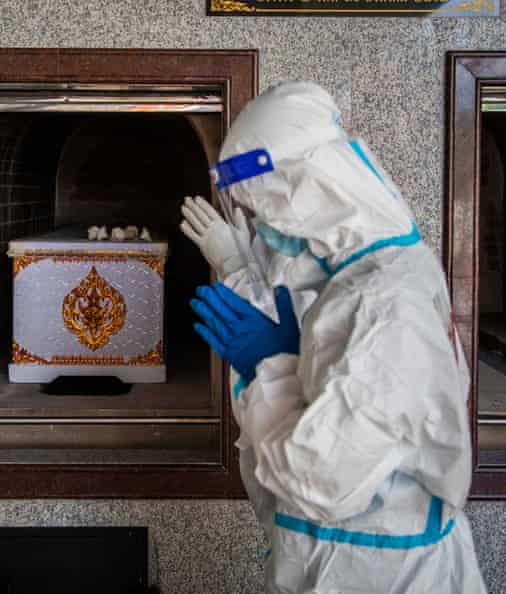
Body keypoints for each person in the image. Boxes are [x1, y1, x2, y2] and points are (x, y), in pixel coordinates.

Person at [186, 81, 487, 593]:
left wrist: (273, 368)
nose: (267, 232)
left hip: (379, 572)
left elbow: (321, 475)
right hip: (358, 556)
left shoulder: (384, 306)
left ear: (308, 192)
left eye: (266, 213)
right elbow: (351, 387)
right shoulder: (372, 273)